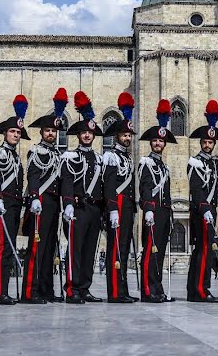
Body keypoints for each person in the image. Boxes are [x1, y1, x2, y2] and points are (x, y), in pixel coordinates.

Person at [20, 88, 68, 304]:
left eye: (53, 131)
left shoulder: (58, 155)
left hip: (54, 205)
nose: (51, 134)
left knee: (50, 248)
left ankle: (47, 289)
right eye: (48, 130)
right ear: (42, 132)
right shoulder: (36, 151)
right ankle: (30, 291)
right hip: (40, 203)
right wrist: (34, 197)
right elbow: (33, 175)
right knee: (37, 247)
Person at [60, 92, 105, 304]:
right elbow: (67, 181)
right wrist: (67, 204)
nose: (87, 136)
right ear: (78, 135)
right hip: (77, 208)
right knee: (75, 251)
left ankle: (85, 287)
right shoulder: (70, 156)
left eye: (90, 133)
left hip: (95, 210)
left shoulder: (99, 158)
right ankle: (72, 288)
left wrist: (105, 212)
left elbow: (104, 187)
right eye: (83, 133)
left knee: (89, 251)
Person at [0, 95, 30, 306]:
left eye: (18, 132)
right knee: (3, 249)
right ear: (5, 133)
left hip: (14, 207)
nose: (15, 135)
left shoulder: (14, 156)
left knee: (10, 250)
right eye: (12, 131)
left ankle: (3, 291)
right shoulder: (0, 153)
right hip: (2, 207)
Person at [186, 99, 218, 303]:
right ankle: (201, 289)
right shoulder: (195, 162)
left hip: (210, 211)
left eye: (210, 143)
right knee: (204, 251)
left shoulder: (214, 163)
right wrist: (204, 207)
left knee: (203, 250)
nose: (208, 145)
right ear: (201, 143)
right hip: (202, 212)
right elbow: (196, 188)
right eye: (205, 142)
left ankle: (194, 291)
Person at [102, 92, 138, 303]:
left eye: (129, 135)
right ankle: (114, 291)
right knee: (115, 249)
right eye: (124, 135)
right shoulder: (111, 157)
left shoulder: (127, 158)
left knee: (123, 249)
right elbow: (110, 186)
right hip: (117, 207)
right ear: (117, 136)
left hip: (127, 209)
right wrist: (113, 209)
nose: (127, 138)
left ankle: (122, 289)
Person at [138, 99, 176, 303]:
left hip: (164, 213)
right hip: (152, 213)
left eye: (161, 141)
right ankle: (147, 289)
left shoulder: (165, 168)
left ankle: (158, 287)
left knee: (159, 253)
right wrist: (148, 208)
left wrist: (168, 214)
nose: (158, 144)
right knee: (150, 251)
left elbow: (167, 194)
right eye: (155, 141)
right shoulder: (145, 163)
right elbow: (145, 187)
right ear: (151, 143)